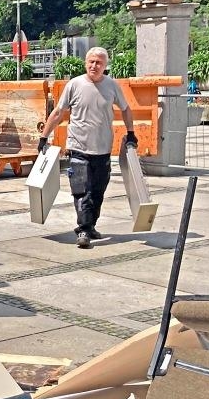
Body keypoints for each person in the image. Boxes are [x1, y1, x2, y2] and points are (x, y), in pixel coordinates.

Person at [37, 47, 137, 250]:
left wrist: (131, 132)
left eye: (99, 63)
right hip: (78, 147)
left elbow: (126, 109)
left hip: (102, 148)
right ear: (85, 63)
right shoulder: (74, 85)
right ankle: (83, 229)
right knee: (81, 190)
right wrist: (43, 136)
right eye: (91, 61)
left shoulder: (112, 86)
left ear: (105, 66)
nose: (94, 66)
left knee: (98, 191)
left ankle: (90, 226)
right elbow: (58, 112)